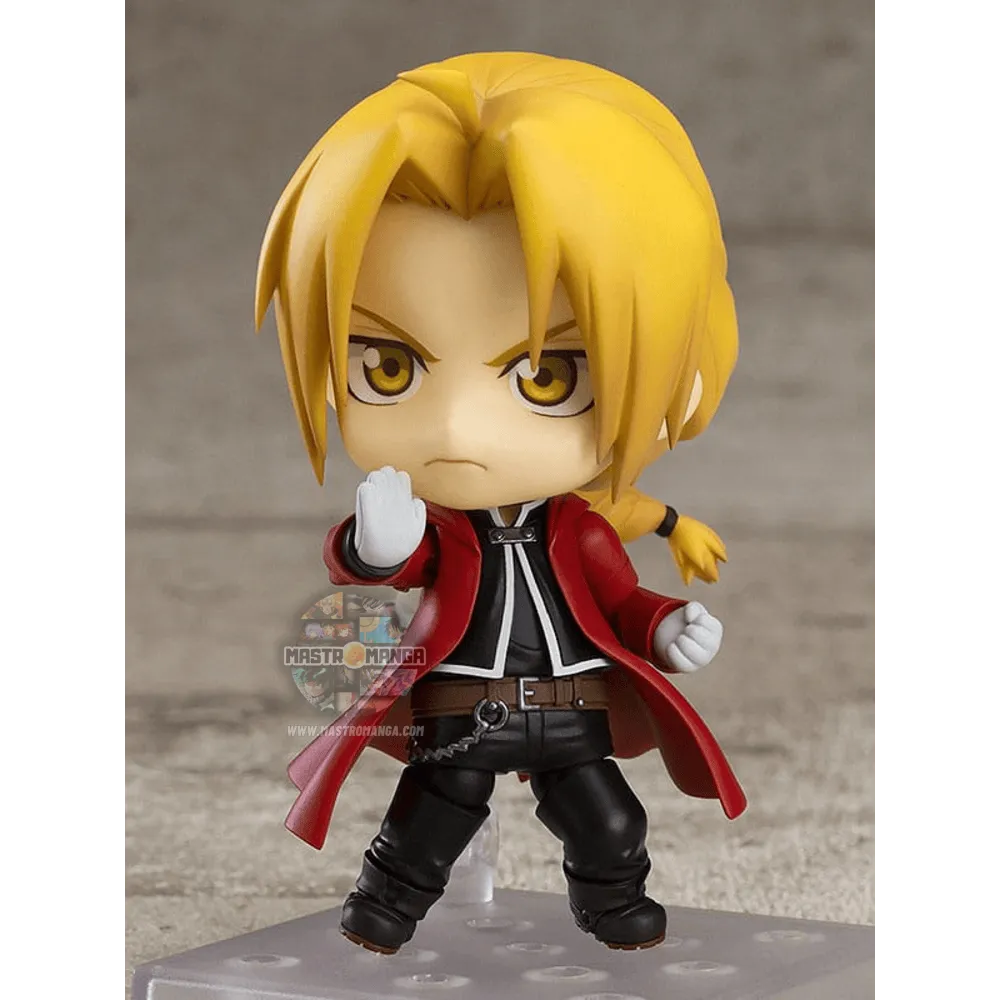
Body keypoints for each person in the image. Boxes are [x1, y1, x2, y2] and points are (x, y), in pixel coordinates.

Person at [256, 52, 745, 955]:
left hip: (567, 709)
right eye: (388, 367)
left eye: (547, 376)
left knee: (610, 822)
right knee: (429, 822)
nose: (456, 428)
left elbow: (619, 599)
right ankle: (384, 908)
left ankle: (613, 905)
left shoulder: (578, 528)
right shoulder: (443, 526)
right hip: (459, 708)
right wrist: (376, 546)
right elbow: (384, 561)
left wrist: (665, 625)